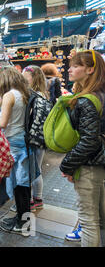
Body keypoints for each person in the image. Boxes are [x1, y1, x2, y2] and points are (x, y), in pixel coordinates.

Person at [59, 50, 105, 247]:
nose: (70, 69)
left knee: (89, 221)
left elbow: (89, 141)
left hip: (90, 166)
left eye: (76, 66)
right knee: (99, 219)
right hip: (100, 163)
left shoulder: (87, 100)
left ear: (90, 69)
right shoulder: (101, 95)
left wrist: (66, 165)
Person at [0, 67, 40, 235]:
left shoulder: (9, 95)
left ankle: (23, 222)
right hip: (23, 141)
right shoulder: (23, 94)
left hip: (13, 144)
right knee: (23, 184)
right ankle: (22, 218)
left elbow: (3, 123)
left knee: (18, 184)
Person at [22, 65, 49, 212]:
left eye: (26, 76)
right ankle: (38, 199)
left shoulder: (33, 96)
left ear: (33, 78)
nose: (24, 79)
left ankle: (30, 201)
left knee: (31, 170)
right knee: (37, 169)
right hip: (42, 138)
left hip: (33, 138)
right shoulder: (43, 95)